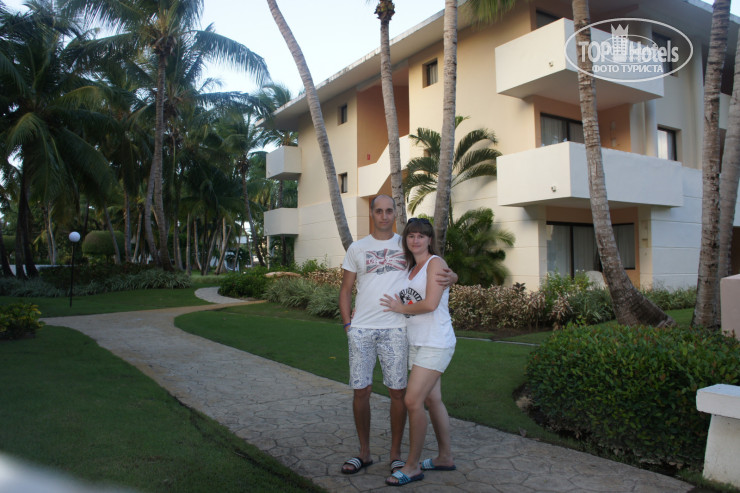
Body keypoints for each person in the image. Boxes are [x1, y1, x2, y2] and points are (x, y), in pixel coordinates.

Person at [339, 195, 456, 475]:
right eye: (379, 211)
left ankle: (396, 456)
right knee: (361, 391)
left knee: (399, 393)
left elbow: (435, 267)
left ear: (395, 214)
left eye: (389, 211)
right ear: (371, 213)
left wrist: (453, 277)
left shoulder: (405, 245)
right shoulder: (358, 248)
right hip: (363, 329)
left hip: (398, 330)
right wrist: (347, 325)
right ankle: (364, 453)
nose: (384, 216)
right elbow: (345, 289)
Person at [379, 217, 457, 487]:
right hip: (417, 342)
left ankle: (411, 466)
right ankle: (445, 457)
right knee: (433, 400)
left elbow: (431, 303)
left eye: (421, 236)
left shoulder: (435, 263)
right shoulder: (410, 269)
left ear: (429, 240)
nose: (415, 240)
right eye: (411, 235)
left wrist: (401, 308)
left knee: (413, 401)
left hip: (436, 341)